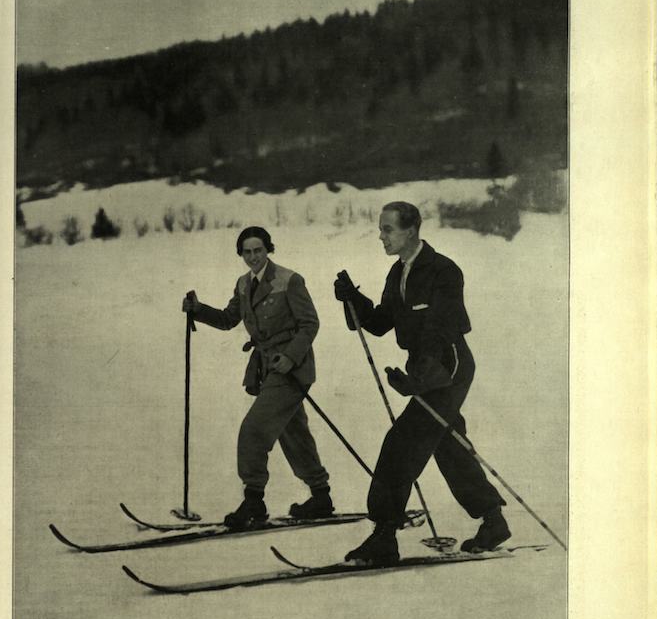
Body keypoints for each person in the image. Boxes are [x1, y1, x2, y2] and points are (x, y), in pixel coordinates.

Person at [334, 201, 509, 564]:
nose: (381, 236)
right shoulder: (397, 273)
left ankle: (384, 536)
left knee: (402, 442)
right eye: (381, 228)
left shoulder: (443, 271)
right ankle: (493, 521)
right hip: (425, 371)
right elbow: (382, 322)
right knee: (449, 443)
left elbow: (440, 330)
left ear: (411, 230)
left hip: (449, 367)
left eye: (387, 229)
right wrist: (354, 300)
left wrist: (419, 379)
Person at [183, 226, 334, 529]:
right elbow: (228, 320)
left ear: (268, 250)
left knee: (253, 430)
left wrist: (290, 357)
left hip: (292, 369)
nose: (253, 257)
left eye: (258, 250)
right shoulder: (243, 284)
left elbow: (309, 324)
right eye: (247, 252)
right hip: (266, 369)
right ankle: (321, 496)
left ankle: (254, 501)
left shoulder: (289, 280)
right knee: (294, 433)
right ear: (241, 254)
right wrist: (198, 310)